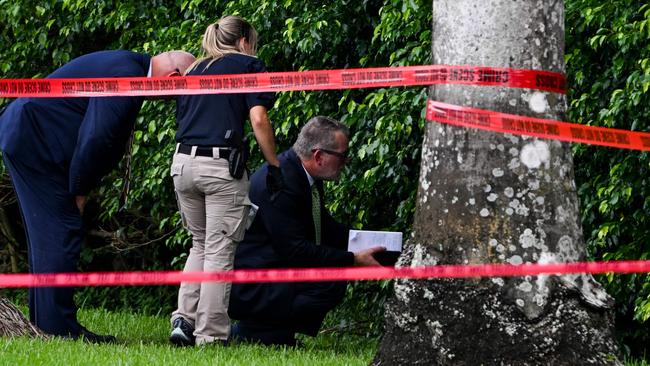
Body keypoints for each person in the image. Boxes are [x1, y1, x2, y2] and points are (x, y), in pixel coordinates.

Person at [0, 49, 196, 342]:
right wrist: (80, 188)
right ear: (173, 79)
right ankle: (58, 330)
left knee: (48, 234)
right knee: (61, 230)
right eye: (177, 94)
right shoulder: (127, 76)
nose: (172, 102)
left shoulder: (127, 63)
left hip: (29, 134)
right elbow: (97, 137)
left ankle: (47, 322)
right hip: (36, 141)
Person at [169, 16, 283, 347]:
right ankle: (211, 336)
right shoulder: (249, 64)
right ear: (245, 40)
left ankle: (184, 322)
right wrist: (274, 165)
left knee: (200, 244)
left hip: (182, 164)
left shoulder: (194, 69)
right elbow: (258, 118)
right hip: (219, 166)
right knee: (219, 250)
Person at [228, 116, 385, 346]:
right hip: (254, 285)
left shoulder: (302, 173)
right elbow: (295, 250)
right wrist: (353, 260)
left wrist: (375, 242)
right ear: (319, 156)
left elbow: (324, 227)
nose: (346, 162)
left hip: (273, 271)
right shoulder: (282, 183)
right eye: (342, 157)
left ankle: (273, 332)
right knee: (331, 280)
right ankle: (261, 332)